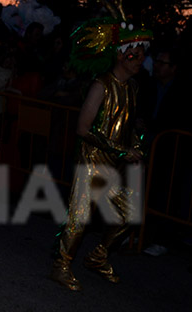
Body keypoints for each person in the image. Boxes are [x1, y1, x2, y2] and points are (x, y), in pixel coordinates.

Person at [51, 17, 152, 291]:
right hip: (92, 161)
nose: (141, 59)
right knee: (80, 217)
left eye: (143, 54)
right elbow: (83, 129)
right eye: (136, 54)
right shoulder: (101, 85)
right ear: (121, 55)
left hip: (115, 164)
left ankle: (98, 257)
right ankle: (61, 265)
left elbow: (129, 126)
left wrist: (137, 144)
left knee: (128, 214)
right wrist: (121, 149)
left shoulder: (132, 87)